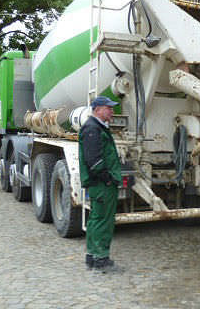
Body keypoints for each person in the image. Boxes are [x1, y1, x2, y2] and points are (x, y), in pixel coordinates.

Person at [79, 96, 122, 272]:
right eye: (108, 108)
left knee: (96, 218)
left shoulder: (96, 127)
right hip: (102, 184)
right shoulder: (92, 129)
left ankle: (92, 256)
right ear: (97, 110)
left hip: (99, 183)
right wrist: (108, 178)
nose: (112, 111)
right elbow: (94, 160)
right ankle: (100, 259)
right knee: (103, 220)